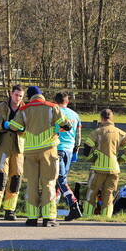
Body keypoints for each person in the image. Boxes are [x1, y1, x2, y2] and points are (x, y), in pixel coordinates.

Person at [6, 86, 72, 227]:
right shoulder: (52, 107)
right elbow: (65, 124)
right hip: (48, 150)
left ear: (29, 97)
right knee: (48, 183)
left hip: (29, 152)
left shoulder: (24, 110)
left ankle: (32, 217)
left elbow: (14, 127)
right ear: (41, 95)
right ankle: (48, 218)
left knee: (32, 184)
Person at [81, 109, 126, 218]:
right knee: (109, 195)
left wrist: (92, 158)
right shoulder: (121, 133)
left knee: (91, 193)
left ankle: (87, 216)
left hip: (98, 168)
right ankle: (105, 218)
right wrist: (120, 160)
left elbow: (87, 148)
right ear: (112, 118)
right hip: (114, 169)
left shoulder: (97, 132)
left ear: (101, 118)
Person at [0, 85, 25, 221]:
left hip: (18, 148)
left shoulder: (26, 110)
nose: (18, 98)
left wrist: (20, 128)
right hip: (2, 147)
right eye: (16, 95)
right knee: (0, 177)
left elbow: (30, 128)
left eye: (20, 96)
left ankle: (10, 210)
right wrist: (2, 126)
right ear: (11, 94)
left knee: (16, 179)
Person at [53, 91, 84, 221]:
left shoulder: (54, 112)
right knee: (57, 181)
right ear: (68, 101)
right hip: (69, 150)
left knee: (60, 180)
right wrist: (76, 151)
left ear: (55, 101)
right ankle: (51, 209)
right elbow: (78, 136)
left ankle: (73, 204)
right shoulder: (75, 115)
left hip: (57, 148)